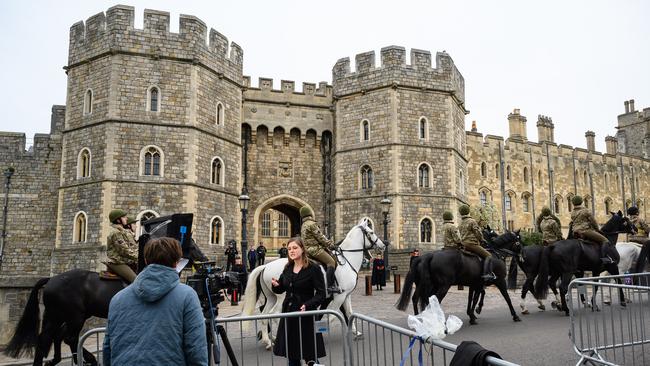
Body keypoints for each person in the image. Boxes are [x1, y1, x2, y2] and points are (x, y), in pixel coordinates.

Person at [103, 237, 207, 365]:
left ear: (146, 260)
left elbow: (108, 348)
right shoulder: (187, 296)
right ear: (176, 262)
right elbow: (196, 349)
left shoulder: (117, 298)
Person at [271, 237, 326, 366]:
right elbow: (282, 288)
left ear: (302, 249)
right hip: (289, 315)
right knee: (292, 355)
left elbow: (321, 294)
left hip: (306, 316)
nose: (291, 251)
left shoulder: (313, 268)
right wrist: (276, 285)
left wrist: (307, 305)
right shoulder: (288, 268)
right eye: (289, 248)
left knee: (310, 356)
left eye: (295, 248)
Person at [300, 206, 339, 294]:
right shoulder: (311, 224)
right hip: (315, 250)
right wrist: (331, 245)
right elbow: (320, 237)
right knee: (331, 262)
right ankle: (330, 286)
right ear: (310, 213)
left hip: (307, 250)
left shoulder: (304, 224)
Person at [458, 204, 496, 282]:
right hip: (471, 244)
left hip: (463, 244)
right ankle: (487, 274)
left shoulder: (461, 222)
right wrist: (482, 240)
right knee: (488, 255)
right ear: (468, 211)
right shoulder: (472, 221)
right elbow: (477, 233)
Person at [570, 196, 613, 264]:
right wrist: (598, 229)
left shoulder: (572, 212)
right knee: (605, 240)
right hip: (585, 231)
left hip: (575, 231)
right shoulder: (586, 211)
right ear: (581, 202)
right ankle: (604, 258)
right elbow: (593, 221)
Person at [106, 209, 139, 283]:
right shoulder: (116, 232)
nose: (126, 218)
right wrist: (140, 258)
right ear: (118, 220)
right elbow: (124, 251)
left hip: (123, 261)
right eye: (124, 217)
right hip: (117, 263)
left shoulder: (121, 231)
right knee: (136, 281)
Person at [627, 206, 650, 273]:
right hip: (641, 239)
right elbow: (647, 230)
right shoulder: (640, 220)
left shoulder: (628, 221)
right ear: (637, 213)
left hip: (630, 239)